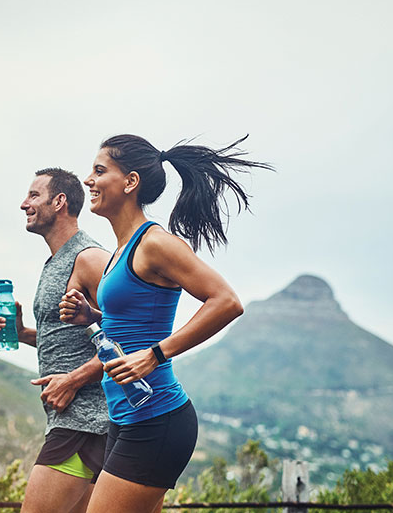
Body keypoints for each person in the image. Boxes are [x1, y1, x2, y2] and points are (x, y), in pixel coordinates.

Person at [59, 134, 271, 513]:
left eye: (99, 170)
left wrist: (156, 355)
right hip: (125, 416)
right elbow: (130, 323)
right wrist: (91, 317)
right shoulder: (120, 252)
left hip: (156, 419)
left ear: (130, 182)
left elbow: (226, 301)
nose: (88, 180)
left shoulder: (155, 243)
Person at [0, 167, 111, 513]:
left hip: (85, 423)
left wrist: (73, 380)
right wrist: (24, 332)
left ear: (59, 202)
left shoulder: (89, 258)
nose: (23, 204)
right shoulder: (56, 261)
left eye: (33, 196)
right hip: (75, 422)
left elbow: (128, 336)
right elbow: (75, 333)